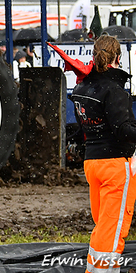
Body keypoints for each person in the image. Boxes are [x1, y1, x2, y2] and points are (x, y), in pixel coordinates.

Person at [70, 35, 136, 272]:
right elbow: (123, 130)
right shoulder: (114, 90)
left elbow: (82, 129)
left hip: (93, 164)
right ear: (118, 58)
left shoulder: (82, 87)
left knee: (103, 225)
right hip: (115, 165)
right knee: (113, 228)